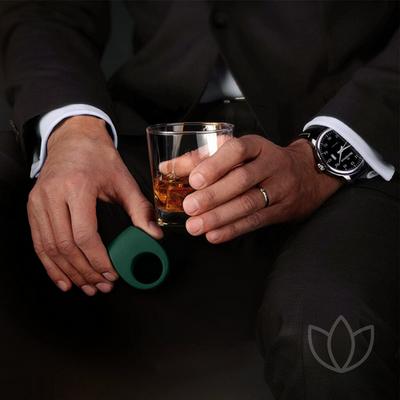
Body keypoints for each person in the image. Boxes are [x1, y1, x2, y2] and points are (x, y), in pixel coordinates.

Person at [0, 1, 398, 399]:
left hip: (360, 134)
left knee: (327, 327)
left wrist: (323, 156)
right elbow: (47, 8)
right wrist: (74, 132)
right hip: (148, 130)